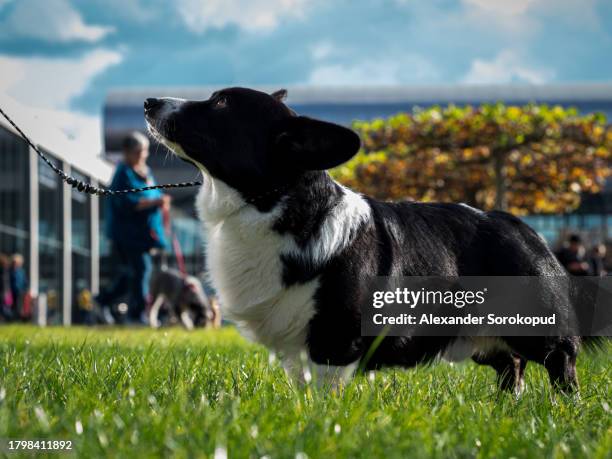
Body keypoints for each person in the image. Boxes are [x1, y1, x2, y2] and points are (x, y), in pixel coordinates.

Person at [96, 131, 169, 324]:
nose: (142, 155)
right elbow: (128, 202)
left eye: (144, 151)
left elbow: (153, 195)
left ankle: (103, 300)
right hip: (128, 234)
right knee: (141, 271)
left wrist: (161, 201)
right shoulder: (123, 173)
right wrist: (155, 202)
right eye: (138, 151)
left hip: (144, 235)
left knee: (132, 274)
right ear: (127, 152)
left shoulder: (146, 172)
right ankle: (137, 314)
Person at [9, 253, 27, 319]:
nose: (15, 264)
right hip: (12, 291)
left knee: (19, 305)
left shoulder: (21, 271)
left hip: (20, 291)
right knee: (13, 305)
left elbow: (24, 282)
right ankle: (13, 317)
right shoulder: (10, 271)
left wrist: (25, 290)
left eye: (16, 262)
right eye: (14, 262)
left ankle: (18, 318)